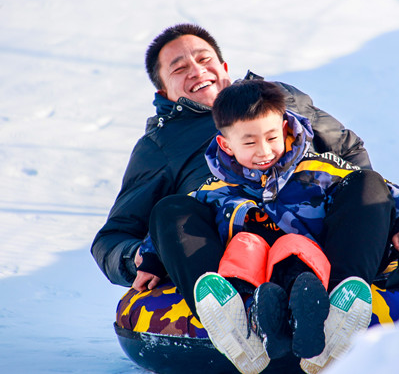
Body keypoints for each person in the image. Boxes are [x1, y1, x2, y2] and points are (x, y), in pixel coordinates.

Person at [153, 79, 399, 374]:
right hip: (248, 279)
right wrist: (151, 259)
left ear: (284, 128)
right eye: (249, 142)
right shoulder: (214, 189)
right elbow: (172, 232)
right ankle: (233, 319)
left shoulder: (321, 169)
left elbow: (386, 190)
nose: (264, 151)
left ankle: (339, 306)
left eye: (271, 137)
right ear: (225, 144)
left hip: (320, 273)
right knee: (170, 209)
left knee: (367, 182)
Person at [90, 23, 372, 291]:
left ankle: (342, 295)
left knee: (365, 182)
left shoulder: (276, 98)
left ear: (224, 67)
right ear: (163, 91)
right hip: (231, 255)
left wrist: (379, 218)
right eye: (180, 68)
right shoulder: (161, 145)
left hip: (316, 235)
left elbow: (347, 150)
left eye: (204, 59)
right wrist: (139, 256)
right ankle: (228, 309)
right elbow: (113, 236)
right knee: (173, 210)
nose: (198, 71)